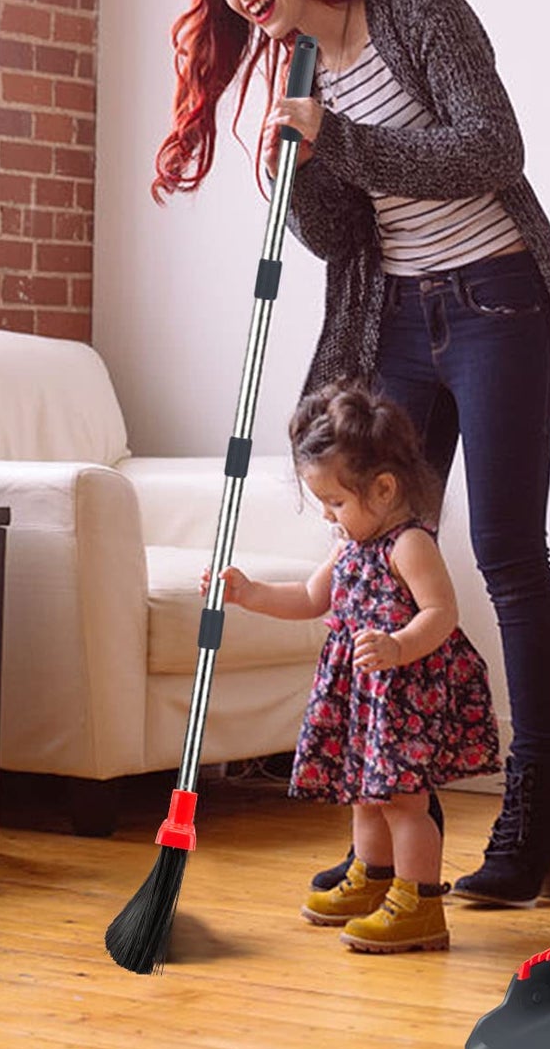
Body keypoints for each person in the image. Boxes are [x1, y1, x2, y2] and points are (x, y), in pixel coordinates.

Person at [156, 0, 550, 908]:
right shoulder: (292, 69)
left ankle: (540, 809)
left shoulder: (418, 10)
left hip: (498, 305)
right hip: (392, 315)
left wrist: (337, 137)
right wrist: (297, 168)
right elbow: (344, 236)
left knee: (506, 554)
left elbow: (491, 148)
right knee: (376, 557)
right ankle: (406, 830)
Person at [205, 381, 500, 953]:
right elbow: (310, 599)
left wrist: (397, 645)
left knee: (405, 803)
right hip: (364, 697)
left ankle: (420, 905)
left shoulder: (408, 544)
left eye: (336, 502)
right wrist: (250, 592)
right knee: (366, 797)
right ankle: (374, 878)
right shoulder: (347, 546)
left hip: (402, 694)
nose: (328, 515)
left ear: (384, 489)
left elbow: (442, 612)